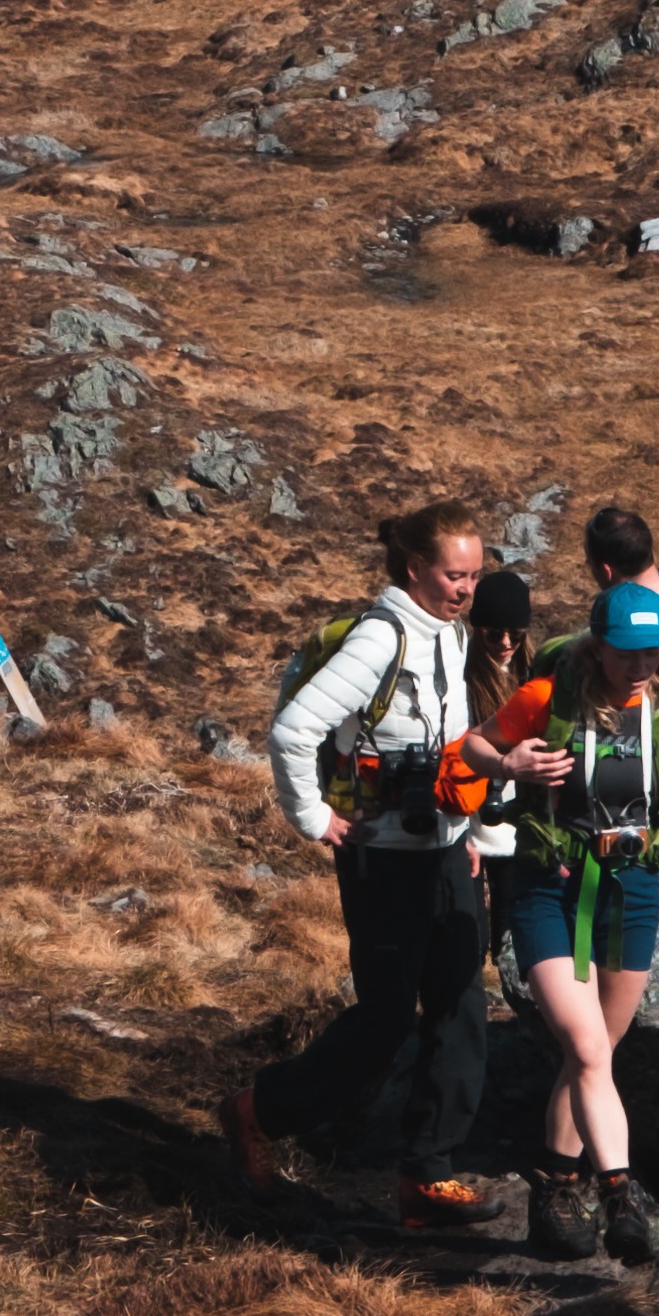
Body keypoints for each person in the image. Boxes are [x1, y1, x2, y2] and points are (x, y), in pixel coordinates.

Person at [229, 499, 499, 1233]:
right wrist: (312, 817)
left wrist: (468, 830)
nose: (466, 588)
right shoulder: (380, 639)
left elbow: (452, 742)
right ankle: (258, 1111)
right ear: (414, 569)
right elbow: (293, 729)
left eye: (474, 575)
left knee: (460, 1006)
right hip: (381, 856)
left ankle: (426, 1177)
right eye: (453, 575)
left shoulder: (448, 632)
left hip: (443, 847)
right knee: (385, 1020)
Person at [490, 576, 659, 1262]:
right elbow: (470, 750)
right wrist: (509, 763)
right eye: (627, 653)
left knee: (593, 1057)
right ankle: (618, 1192)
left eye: (653, 652)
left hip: (633, 887)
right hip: (548, 885)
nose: (641, 665)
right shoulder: (545, 699)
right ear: (597, 646)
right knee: (586, 1050)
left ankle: (553, 1191)